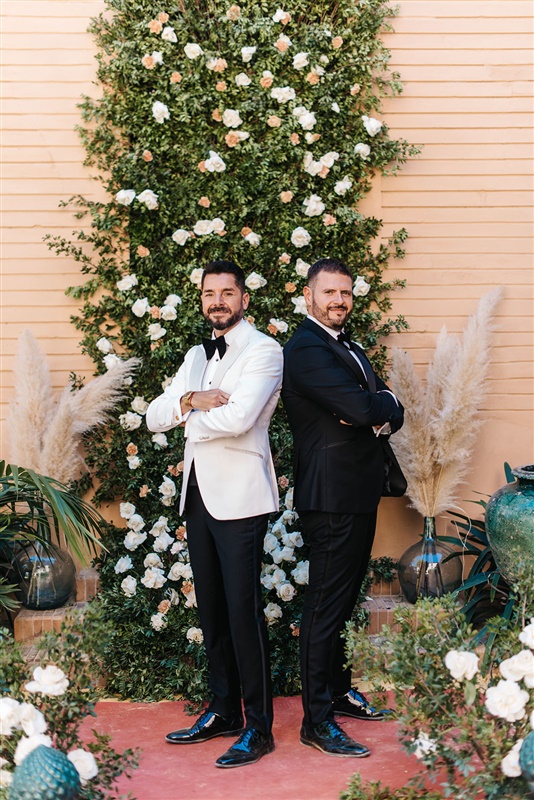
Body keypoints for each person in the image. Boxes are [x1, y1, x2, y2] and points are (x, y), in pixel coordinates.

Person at [146, 260, 282, 768]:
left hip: (241, 498)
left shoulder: (264, 351)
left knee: (243, 613)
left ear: (244, 299)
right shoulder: (194, 356)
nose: (218, 301)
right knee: (212, 613)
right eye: (209, 293)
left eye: (228, 292)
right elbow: (153, 415)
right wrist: (187, 398)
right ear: (201, 300)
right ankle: (223, 710)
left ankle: (259, 729)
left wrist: (188, 416)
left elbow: (241, 417)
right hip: (198, 497)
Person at [281, 257, 404, 758]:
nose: (338, 301)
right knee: (325, 608)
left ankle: (337, 691)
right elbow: (363, 408)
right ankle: (317, 720)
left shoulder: (346, 346)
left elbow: (373, 408)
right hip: (330, 498)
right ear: (308, 297)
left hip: (356, 493)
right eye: (329, 292)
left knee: (343, 601)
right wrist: (383, 405)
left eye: (345, 293)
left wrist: (379, 406)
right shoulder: (306, 348)